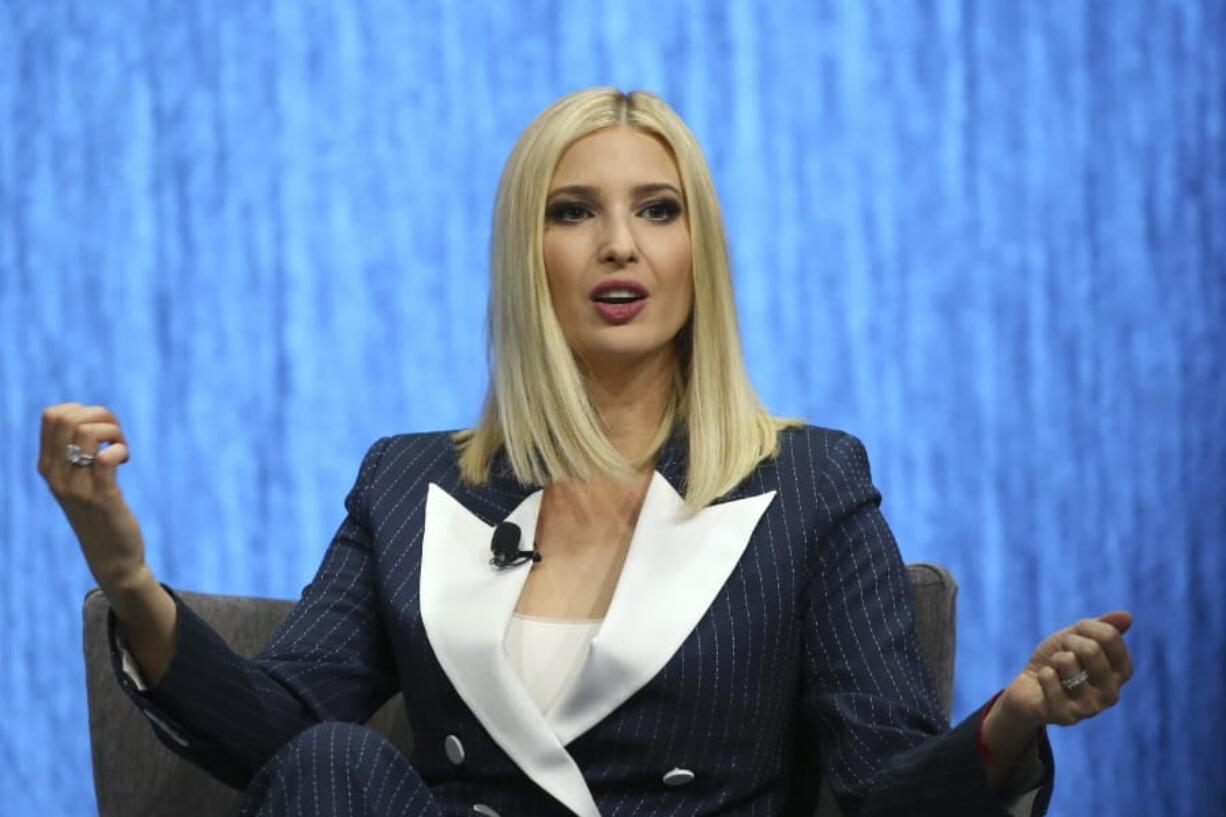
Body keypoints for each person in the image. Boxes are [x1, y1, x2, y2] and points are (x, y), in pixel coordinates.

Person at [40, 87, 1133, 817]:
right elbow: (278, 737)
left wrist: (1012, 717)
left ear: (696, 251)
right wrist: (126, 574)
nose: (619, 243)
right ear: (530, 256)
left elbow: (876, 791)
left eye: (656, 210)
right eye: (575, 212)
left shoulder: (808, 480)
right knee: (331, 759)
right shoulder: (410, 481)